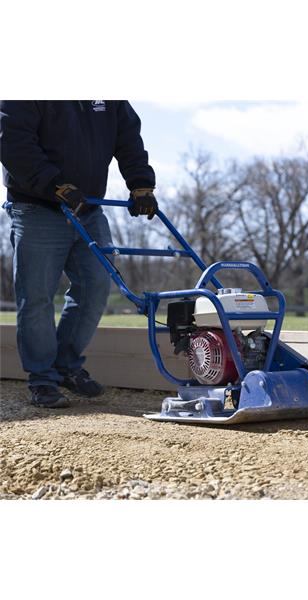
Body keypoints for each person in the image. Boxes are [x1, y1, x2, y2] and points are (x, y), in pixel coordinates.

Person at [0, 100, 158, 409]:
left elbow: (127, 136)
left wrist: (140, 184)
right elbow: (11, 139)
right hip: (38, 207)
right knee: (37, 296)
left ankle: (66, 365)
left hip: (89, 208)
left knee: (96, 286)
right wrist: (52, 183)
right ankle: (42, 379)